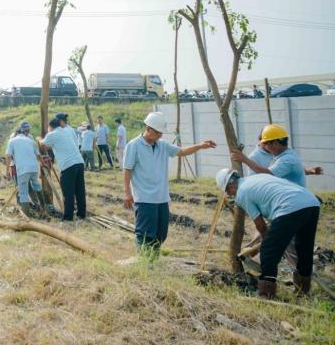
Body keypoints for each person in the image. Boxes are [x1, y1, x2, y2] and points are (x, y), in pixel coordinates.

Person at [216, 169, 320, 298]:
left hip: (289, 206)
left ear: (230, 186)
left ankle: (266, 294)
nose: (230, 195)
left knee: (268, 252)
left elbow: (260, 225)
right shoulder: (257, 178)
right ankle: (303, 292)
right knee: (304, 248)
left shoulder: (242, 193)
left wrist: (268, 242)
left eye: (228, 192)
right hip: (311, 202)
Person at [123, 112, 216, 255]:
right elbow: (127, 170)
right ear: (148, 129)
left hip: (162, 197)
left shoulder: (162, 145)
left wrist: (200, 146)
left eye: (161, 134)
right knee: (146, 234)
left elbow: (181, 151)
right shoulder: (133, 145)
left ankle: (153, 258)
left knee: (161, 233)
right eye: (158, 133)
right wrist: (127, 193)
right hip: (144, 198)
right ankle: (144, 261)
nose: (160, 136)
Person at [231, 124, 323, 186]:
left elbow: (271, 173)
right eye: (265, 143)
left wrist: (245, 159)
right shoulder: (281, 154)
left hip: (292, 200)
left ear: (275, 143)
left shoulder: (285, 157)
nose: (266, 147)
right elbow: (255, 181)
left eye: (267, 143)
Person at [41, 115, 86, 220]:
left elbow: (43, 144)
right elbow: (53, 145)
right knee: (80, 190)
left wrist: (39, 138)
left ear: (50, 127)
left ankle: (68, 217)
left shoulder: (52, 134)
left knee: (68, 192)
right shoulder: (66, 131)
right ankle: (81, 214)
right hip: (79, 162)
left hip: (68, 166)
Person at [6, 121, 43, 218]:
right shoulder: (31, 140)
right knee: (37, 186)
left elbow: (8, 156)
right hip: (34, 168)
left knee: (23, 192)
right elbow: (38, 155)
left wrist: (7, 171)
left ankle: (26, 215)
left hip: (22, 169)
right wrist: (43, 164)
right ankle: (43, 208)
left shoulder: (12, 141)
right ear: (24, 132)